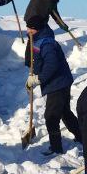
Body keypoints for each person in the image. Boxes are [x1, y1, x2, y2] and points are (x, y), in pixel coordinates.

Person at [26, 24, 80, 155]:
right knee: (64, 112)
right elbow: (40, 63)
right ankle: (82, 136)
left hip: (58, 83)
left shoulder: (47, 44)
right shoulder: (39, 41)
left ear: (38, 28)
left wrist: (39, 79)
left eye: (30, 28)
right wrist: (32, 75)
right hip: (60, 82)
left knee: (51, 116)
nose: (28, 31)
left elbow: (52, 65)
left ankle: (56, 148)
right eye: (27, 28)